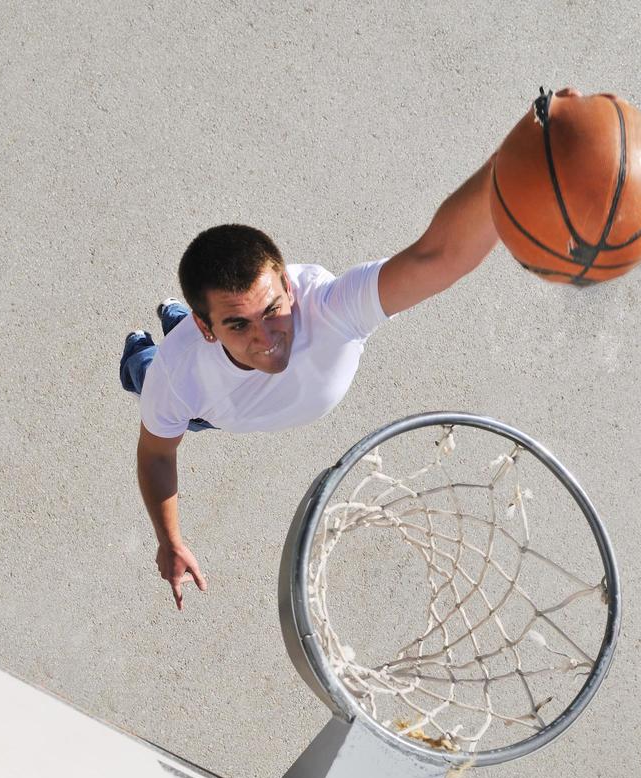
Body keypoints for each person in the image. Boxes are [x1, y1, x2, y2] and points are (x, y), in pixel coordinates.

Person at [121, 158, 498, 609]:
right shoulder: (178, 377)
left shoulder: (334, 307)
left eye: (272, 310)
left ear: (287, 284)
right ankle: (141, 344)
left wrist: (511, 166)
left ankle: (174, 315)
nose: (266, 341)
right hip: (205, 406)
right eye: (239, 325)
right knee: (146, 373)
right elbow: (157, 451)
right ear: (209, 328)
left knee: (181, 363)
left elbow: (442, 256)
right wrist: (169, 538)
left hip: (215, 380)